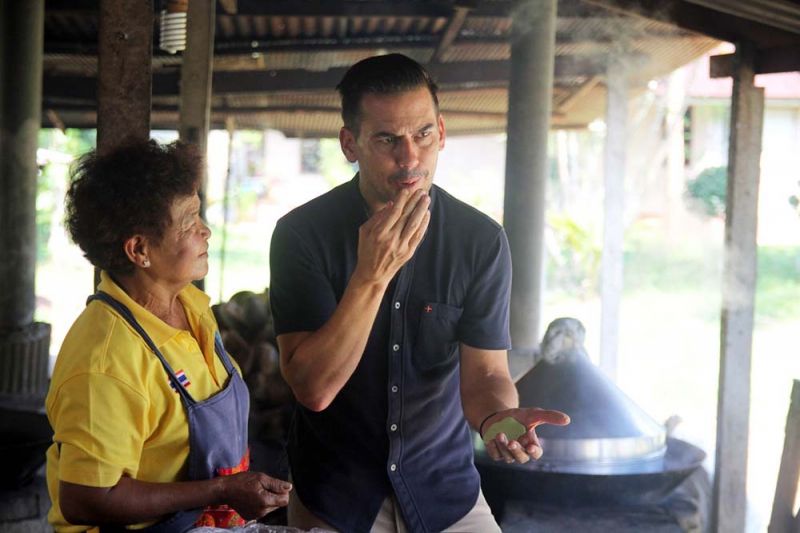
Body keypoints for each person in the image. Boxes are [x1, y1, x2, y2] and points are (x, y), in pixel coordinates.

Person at [269, 53, 570, 533]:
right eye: (387, 139)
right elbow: (314, 388)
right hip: (337, 497)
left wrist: (498, 419)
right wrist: (371, 276)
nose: (410, 157)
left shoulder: (479, 240)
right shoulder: (301, 235)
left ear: (442, 132)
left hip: (444, 490)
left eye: (423, 134)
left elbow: (486, 373)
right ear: (350, 144)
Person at [46, 140, 292, 532]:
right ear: (139, 249)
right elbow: (86, 498)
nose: (206, 231)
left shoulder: (191, 306)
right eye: (190, 222)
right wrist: (220, 490)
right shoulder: (106, 359)